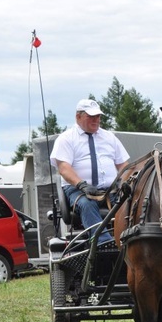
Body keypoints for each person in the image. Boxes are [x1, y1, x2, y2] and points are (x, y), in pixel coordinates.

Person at [50, 99, 130, 244]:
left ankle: (129, 238)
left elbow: (124, 165)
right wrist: (82, 185)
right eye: (91, 116)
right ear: (78, 116)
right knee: (87, 204)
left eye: (98, 116)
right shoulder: (66, 139)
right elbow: (64, 168)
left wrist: (127, 181)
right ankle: (103, 243)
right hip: (78, 190)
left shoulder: (109, 137)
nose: (96, 120)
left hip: (110, 190)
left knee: (129, 201)